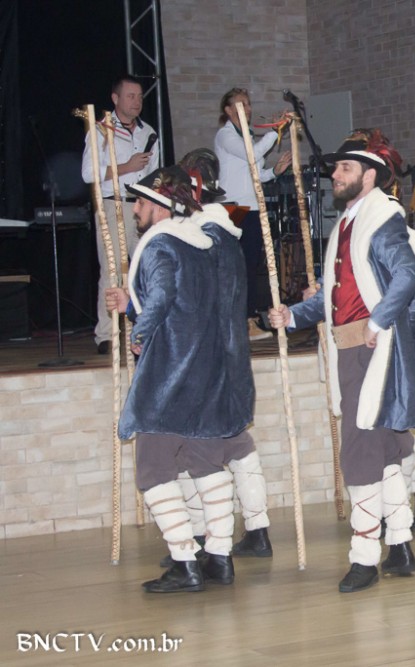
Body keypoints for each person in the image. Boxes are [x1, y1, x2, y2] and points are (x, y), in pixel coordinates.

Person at [267, 130, 415, 593]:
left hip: (369, 352)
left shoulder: (381, 219)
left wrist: (380, 321)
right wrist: (293, 315)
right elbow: (334, 298)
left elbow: (407, 276)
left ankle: (365, 557)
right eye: (336, 167)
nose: (335, 174)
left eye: (345, 168)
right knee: (383, 449)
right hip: (353, 349)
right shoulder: (351, 221)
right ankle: (400, 545)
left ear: (370, 175)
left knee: (360, 451)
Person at [105, 166, 247, 593]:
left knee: (152, 468)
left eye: (140, 202)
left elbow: (163, 295)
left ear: (161, 206)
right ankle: (219, 557)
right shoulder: (202, 245)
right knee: (207, 464)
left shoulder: (160, 245)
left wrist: (140, 332)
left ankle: (185, 562)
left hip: (171, 374)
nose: (135, 210)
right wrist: (135, 308)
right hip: (208, 370)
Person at [177, 148, 273, 557]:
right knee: (235, 440)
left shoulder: (201, 236)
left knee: (195, 443)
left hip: (208, 351)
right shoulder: (227, 230)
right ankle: (257, 528)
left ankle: (204, 535)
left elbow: (194, 300)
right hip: (231, 347)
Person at [81, 74, 159, 354]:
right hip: (112, 203)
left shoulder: (148, 132)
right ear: (115, 98)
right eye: (130, 96)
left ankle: (148, 326)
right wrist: (127, 167)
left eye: (139, 96)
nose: (137, 101)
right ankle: (107, 334)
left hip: (141, 206)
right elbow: (89, 173)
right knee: (112, 269)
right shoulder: (101, 130)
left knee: (149, 265)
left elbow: (154, 174)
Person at [213, 87, 292, 341]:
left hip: (252, 206)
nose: (247, 109)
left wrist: (275, 172)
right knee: (239, 265)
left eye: (248, 104)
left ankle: (247, 318)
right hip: (234, 208)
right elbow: (252, 154)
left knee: (251, 264)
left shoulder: (246, 134)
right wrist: (274, 131)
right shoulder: (226, 135)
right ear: (228, 110)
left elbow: (256, 175)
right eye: (241, 105)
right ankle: (242, 320)